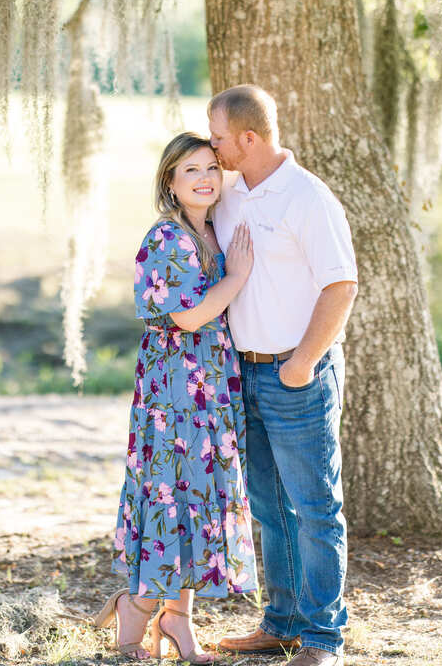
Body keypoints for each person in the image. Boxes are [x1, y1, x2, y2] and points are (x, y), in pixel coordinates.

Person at [93, 132, 258, 663]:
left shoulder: (210, 230)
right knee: (171, 489)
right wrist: (236, 277)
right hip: (174, 390)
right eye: (191, 170)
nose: (206, 177)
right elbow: (188, 316)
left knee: (196, 493)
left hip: (210, 384)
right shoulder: (167, 238)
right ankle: (136, 609)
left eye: (212, 167)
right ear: (170, 180)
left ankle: (179, 623)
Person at [208, 85, 358, 666]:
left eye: (219, 138)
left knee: (316, 508)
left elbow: (340, 285)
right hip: (243, 375)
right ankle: (282, 621)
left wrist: (301, 363)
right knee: (269, 508)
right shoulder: (230, 195)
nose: (212, 146)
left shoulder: (308, 198)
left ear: (249, 138)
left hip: (298, 374)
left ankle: (323, 639)